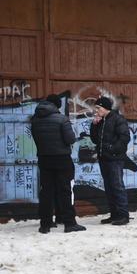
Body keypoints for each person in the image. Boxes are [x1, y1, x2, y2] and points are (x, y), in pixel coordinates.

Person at [31, 94, 85, 233]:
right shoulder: (61, 119)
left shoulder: (35, 119)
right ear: (58, 106)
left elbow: (36, 139)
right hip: (62, 158)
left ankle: (45, 223)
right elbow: (70, 139)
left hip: (44, 158)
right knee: (65, 190)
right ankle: (69, 222)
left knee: (46, 190)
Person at [90, 96, 131, 226]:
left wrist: (113, 149)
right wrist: (94, 125)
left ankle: (123, 215)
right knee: (108, 188)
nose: (96, 111)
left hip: (115, 159)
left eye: (98, 108)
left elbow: (125, 137)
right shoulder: (102, 121)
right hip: (104, 158)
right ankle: (114, 214)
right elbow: (95, 139)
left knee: (117, 186)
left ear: (105, 107)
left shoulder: (118, 119)